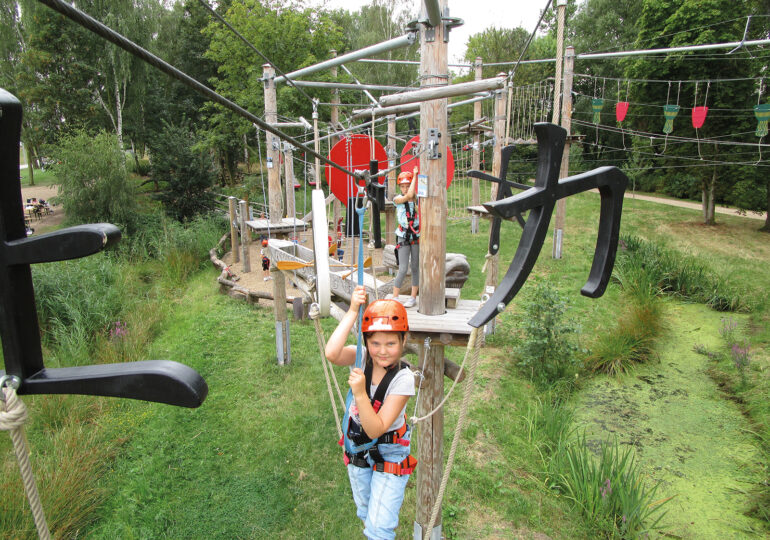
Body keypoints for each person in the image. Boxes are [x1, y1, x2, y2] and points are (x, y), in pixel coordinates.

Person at [325, 286, 416, 540]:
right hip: (358, 451)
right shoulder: (363, 357)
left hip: (390, 453)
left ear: (403, 341)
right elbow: (332, 353)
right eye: (375, 342)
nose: (382, 351)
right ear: (365, 341)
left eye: (390, 343)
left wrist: (361, 393)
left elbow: (376, 428)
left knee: (379, 529)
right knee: (367, 515)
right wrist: (354, 309)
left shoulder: (403, 379)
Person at [391, 167, 420, 308]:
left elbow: (412, 196)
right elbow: (408, 196)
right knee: (403, 268)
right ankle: (395, 296)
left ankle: (413, 297)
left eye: (408, 186)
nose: (405, 189)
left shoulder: (418, 200)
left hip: (415, 236)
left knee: (415, 267)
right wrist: (414, 175)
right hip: (403, 236)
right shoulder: (397, 199)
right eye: (402, 186)